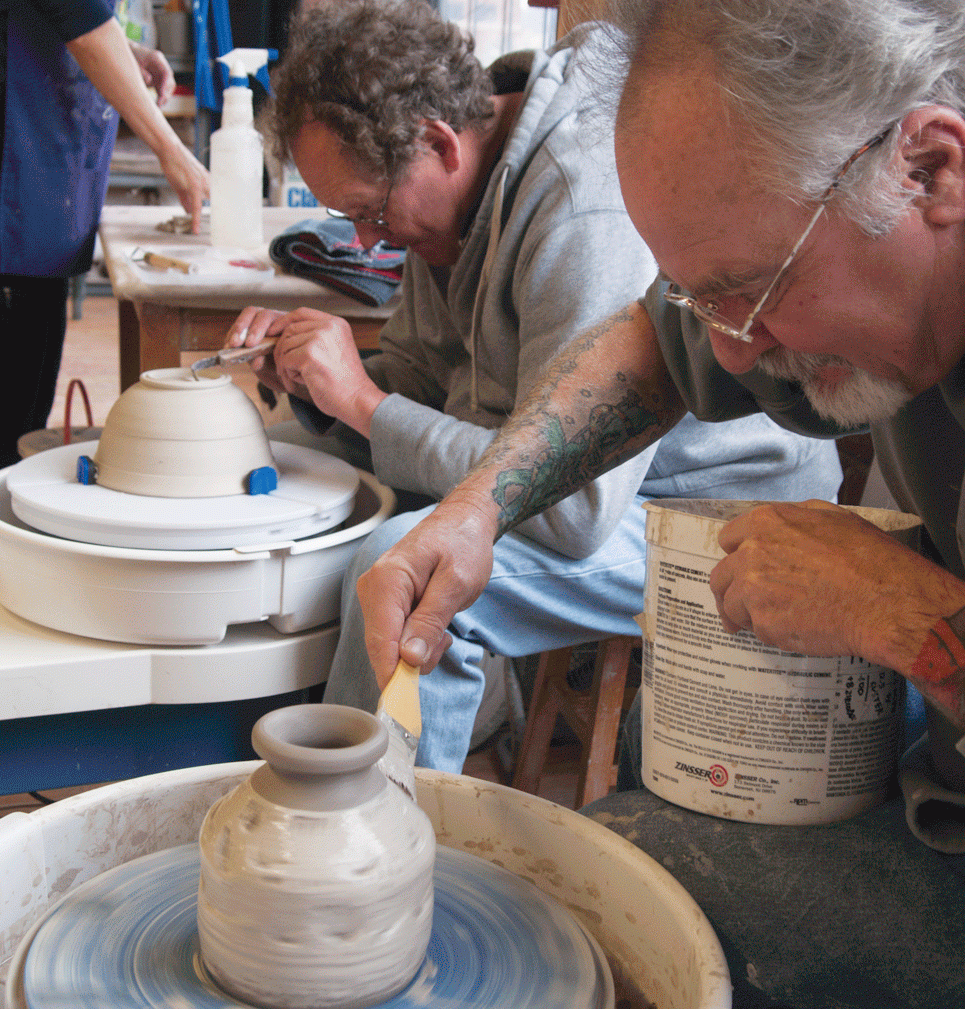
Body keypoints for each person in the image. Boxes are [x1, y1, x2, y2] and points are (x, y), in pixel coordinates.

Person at [354, 1, 965, 1004]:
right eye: (701, 296)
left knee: (603, 897)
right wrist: (476, 509)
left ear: (931, 170)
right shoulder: (798, 258)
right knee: (653, 759)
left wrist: (899, 613)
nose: (728, 349)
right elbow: (655, 350)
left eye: (750, 288)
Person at [226, 0, 844, 772]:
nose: (363, 242)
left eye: (368, 212)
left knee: (404, 562)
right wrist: (319, 384)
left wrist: (360, 400)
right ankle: (391, 758)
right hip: (570, 491)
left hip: (706, 508)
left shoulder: (581, 201)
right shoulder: (446, 205)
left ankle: (373, 838)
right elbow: (420, 384)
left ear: (436, 143)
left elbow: (576, 509)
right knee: (270, 464)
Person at [0, 0, 209, 523]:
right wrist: (170, 147)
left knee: (23, 369)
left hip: (23, 128)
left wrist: (127, 50)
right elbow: (79, 20)